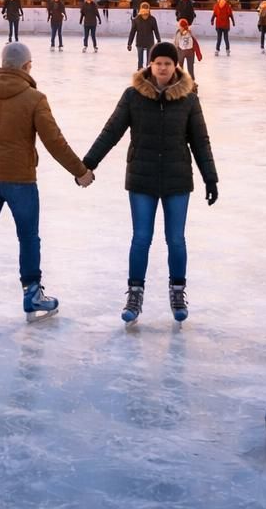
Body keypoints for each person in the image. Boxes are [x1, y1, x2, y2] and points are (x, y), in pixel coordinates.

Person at [0, 42, 93, 324]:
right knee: (28, 237)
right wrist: (80, 171)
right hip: (20, 179)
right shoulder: (34, 98)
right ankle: (32, 294)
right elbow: (54, 141)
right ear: (26, 66)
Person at [82, 41, 218, 324]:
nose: (163, 68)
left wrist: (210, 178)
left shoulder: (189, 98)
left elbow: (200, 141)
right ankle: (134, 293)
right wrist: (88, 163)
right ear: (150, 65)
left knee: (176, 239)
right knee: (141, 238)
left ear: (175, 65)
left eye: (168, 63)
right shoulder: (133, 96)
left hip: (177, 178)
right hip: (141, 179)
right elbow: (111, 131)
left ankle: (177, 291)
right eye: (159, 63)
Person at [127, 2, 161, 69]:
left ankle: (147, 71)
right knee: (140, 60)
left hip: (149, 42)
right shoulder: (136, 19)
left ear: (148, 9)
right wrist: (129, 43)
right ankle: (141, 70)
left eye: (146, 8)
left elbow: (156, 30)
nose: (145, 10)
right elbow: (132, 32)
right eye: (143, 8)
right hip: (141, 42)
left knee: (149, 60)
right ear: (140, 9)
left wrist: (158, 40)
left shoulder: (152, 19)